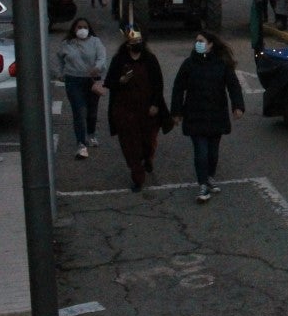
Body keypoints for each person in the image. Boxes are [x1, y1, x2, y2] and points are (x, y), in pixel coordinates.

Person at [170, 31, 244, 203]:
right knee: (201, 152)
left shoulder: (221, 64)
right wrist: (176, 112)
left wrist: (238, 106)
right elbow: (178, 88)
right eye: (196, 41)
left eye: (201, 41)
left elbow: (233, 85)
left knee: (212, 153)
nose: (197, 43)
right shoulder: (189, 64)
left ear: (210, 44)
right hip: (195, 114)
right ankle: (202, 184)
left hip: (216, 115)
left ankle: (210, 176)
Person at [105, 29, 167, 192]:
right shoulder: (119, 60)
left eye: (139, 42)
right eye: (133, 43)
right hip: (125, 111)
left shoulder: (150, 59)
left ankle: (148, 158)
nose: (136, 45)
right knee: (130, 145)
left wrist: (155, 104)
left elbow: (158, 84)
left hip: (147, 110)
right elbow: (109, 82)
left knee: (148, 141)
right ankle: (137, 176)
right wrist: (121, 80)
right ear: (127, 44)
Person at [57, 17, 108, 160]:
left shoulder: (95, 42)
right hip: (73, 80)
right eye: (79, 27)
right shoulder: (67, 44)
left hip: (92, 81)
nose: (82, 30)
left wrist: (97, 67)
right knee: (78, 111)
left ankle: (91, 133)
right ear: (74, 29)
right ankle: (81, 144)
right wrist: (61, 73)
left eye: (85, 27)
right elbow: (60, 59)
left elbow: (102, 57)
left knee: (91, 112)